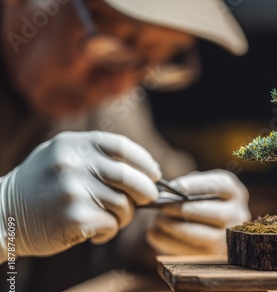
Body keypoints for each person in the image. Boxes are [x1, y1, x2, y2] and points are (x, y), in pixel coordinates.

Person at [0, 0, 251, 266]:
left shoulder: (104, 101)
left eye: (156, 60)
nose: (120, 85)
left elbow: (152, 210)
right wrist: (5, 216)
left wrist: (190, 231)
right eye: (114, 43)